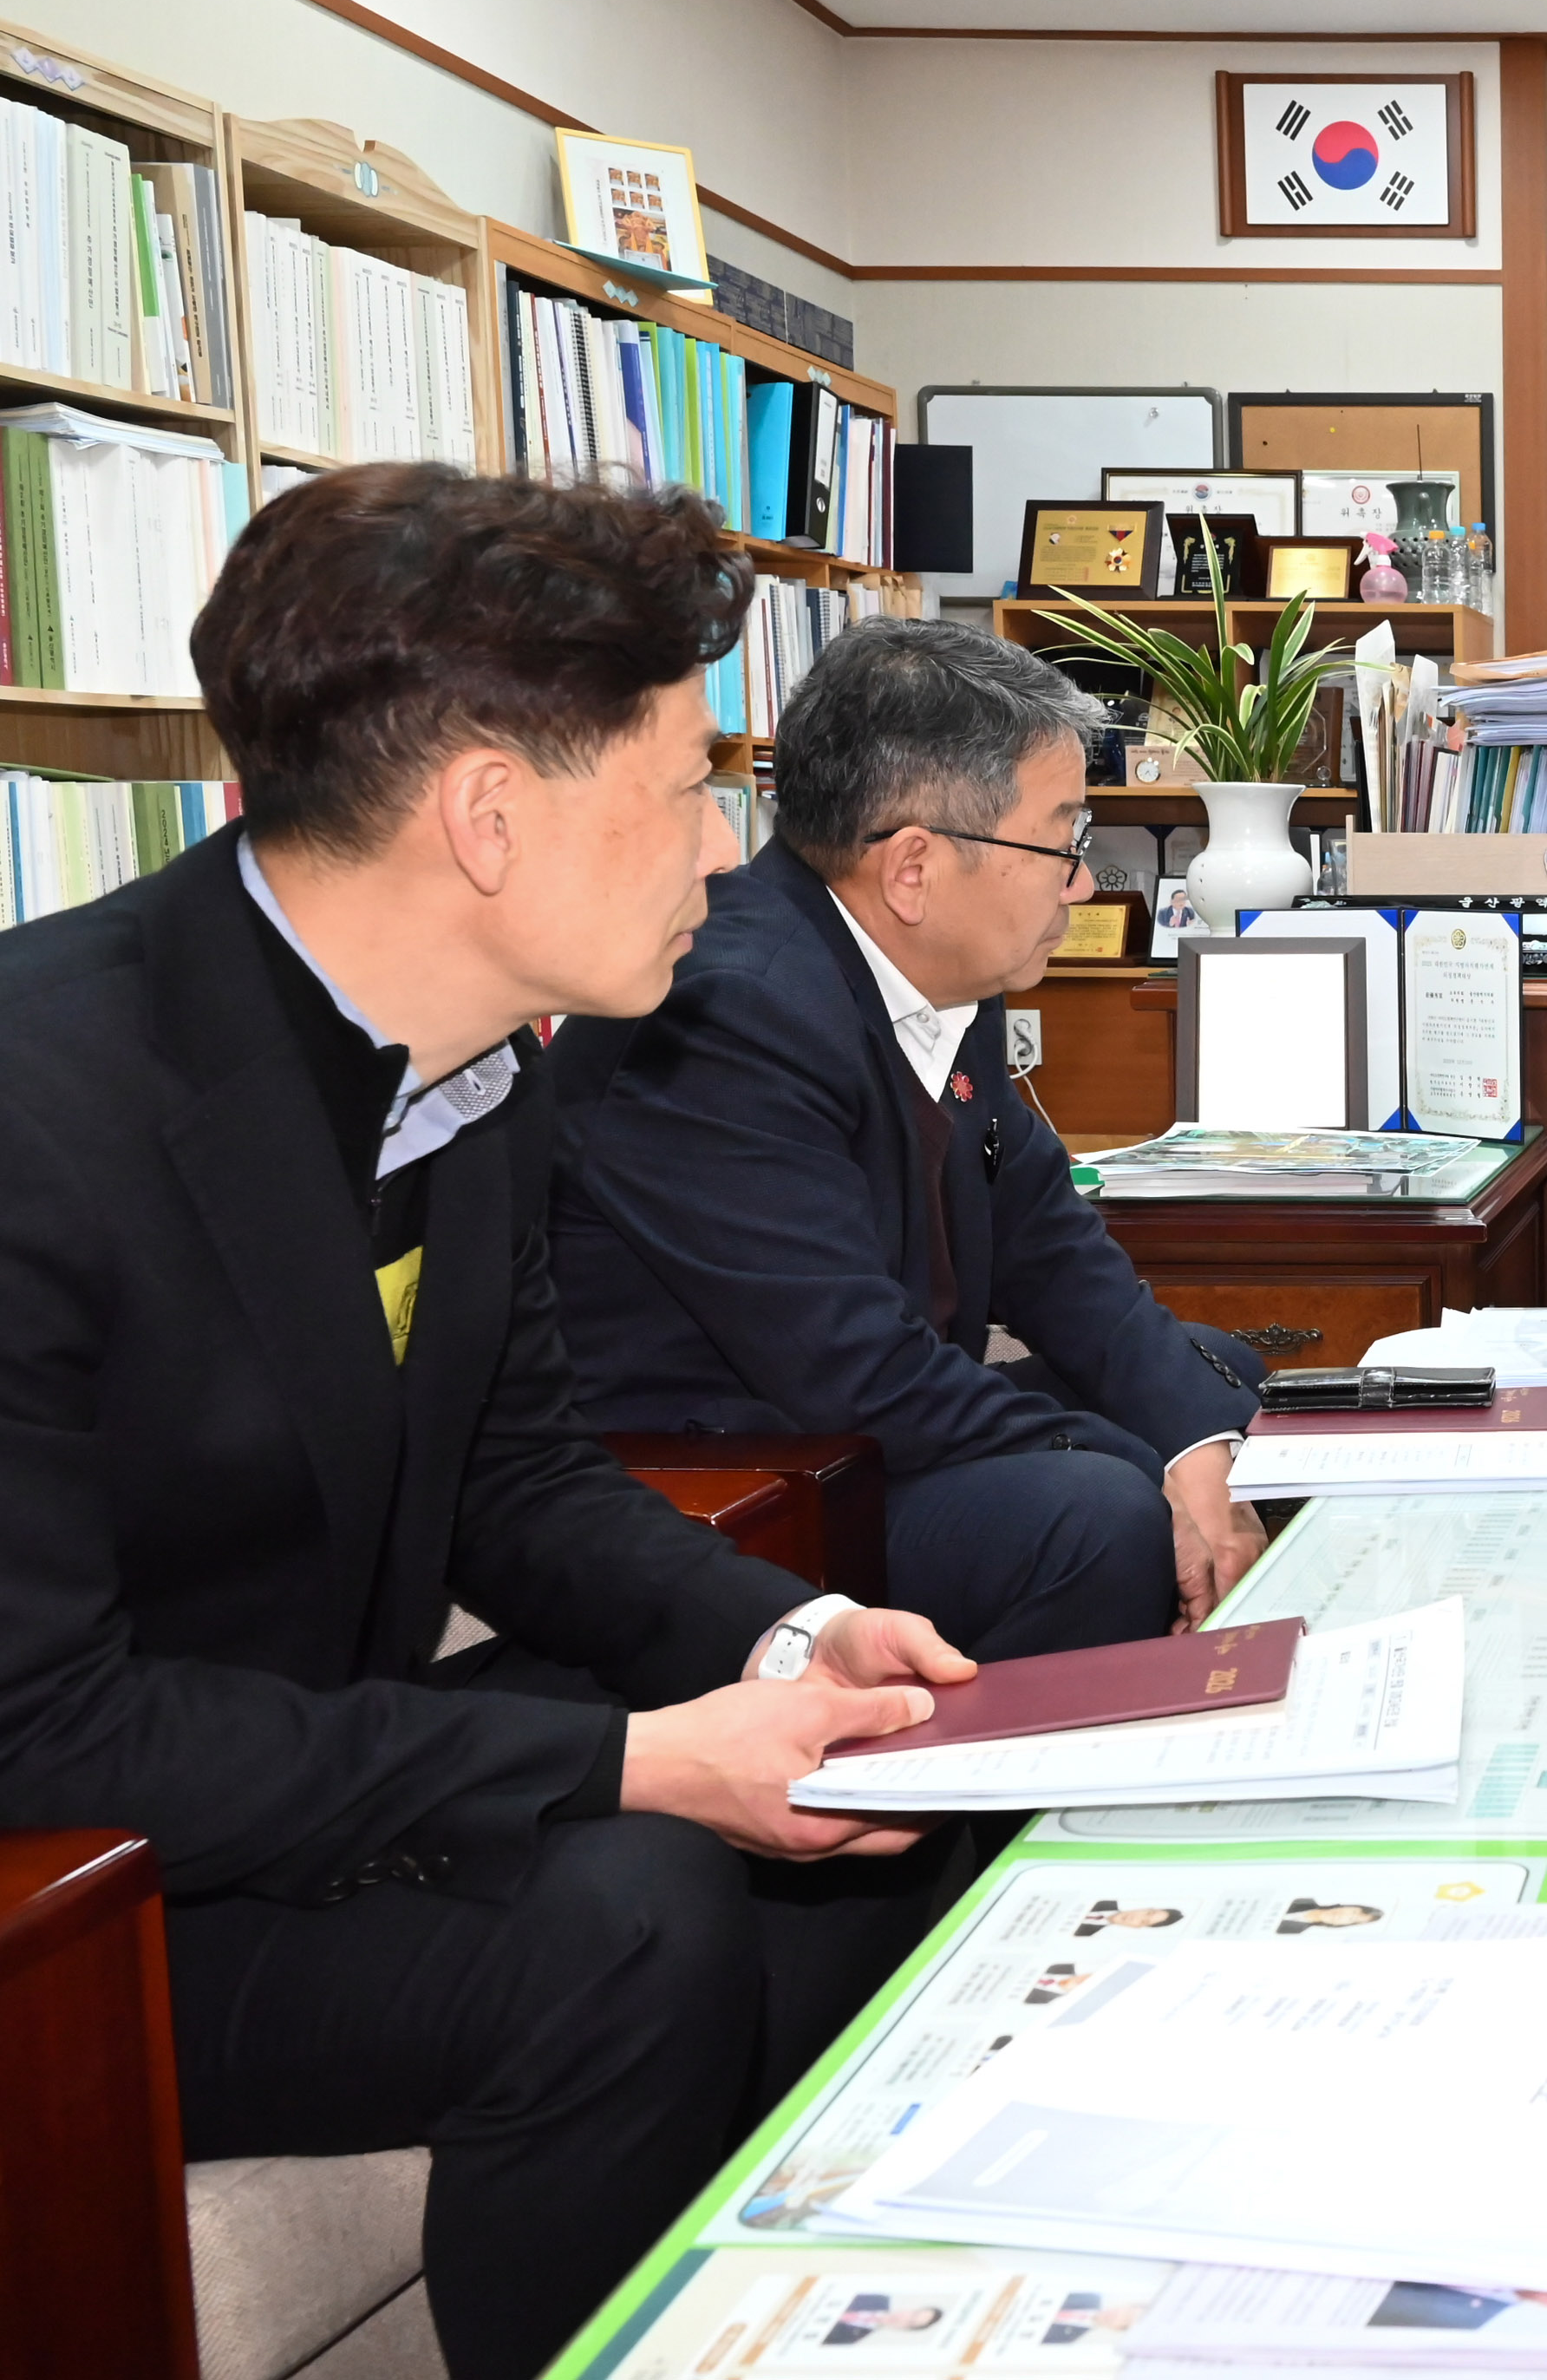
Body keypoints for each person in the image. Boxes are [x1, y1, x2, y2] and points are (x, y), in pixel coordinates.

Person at [0, 464, 981, 2380]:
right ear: (487, 813)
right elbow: (43, 1724)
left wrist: (788, 1641)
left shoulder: (479, 1064)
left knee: (882, 1796)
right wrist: (627, 1767)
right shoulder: (40, 1112)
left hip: (292, 1761)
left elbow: (517, 1481)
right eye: (692, 784)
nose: (726, 852)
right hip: (80, 1887)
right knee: (628, 1912)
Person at [552, 622, 1270, 1652]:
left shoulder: (942, 970)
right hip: (738, 1474)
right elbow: (850, 1368)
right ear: (915, 869)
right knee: (1102, 1509)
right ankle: (979, 1809)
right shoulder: (725, 1016)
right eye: (1063, 840)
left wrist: (1194, 1442)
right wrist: (1148, 1467)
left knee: (1209, 1383)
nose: (1080, 883)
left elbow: (1049, 1247)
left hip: (859, 1419)